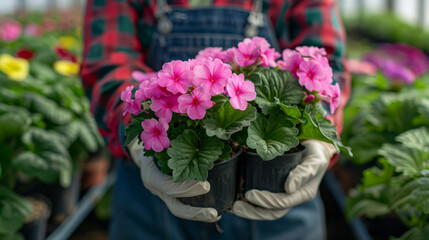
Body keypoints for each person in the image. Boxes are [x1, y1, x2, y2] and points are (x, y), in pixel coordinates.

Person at [81, 0, 350, 239]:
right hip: (149, 199)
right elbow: (109, 63)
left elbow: (327, 60)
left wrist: (318, 137)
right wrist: (139, 140)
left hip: (280, 201)